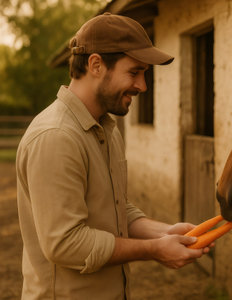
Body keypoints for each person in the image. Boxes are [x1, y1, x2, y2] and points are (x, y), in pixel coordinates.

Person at [16, 13, 210, 299]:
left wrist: (164, 232)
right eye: (134, 72)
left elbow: (116, 209)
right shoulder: (56, 137)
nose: (143, 86)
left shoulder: (107, 129)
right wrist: (153, 250)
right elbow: (65, 243)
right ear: (96, 65)